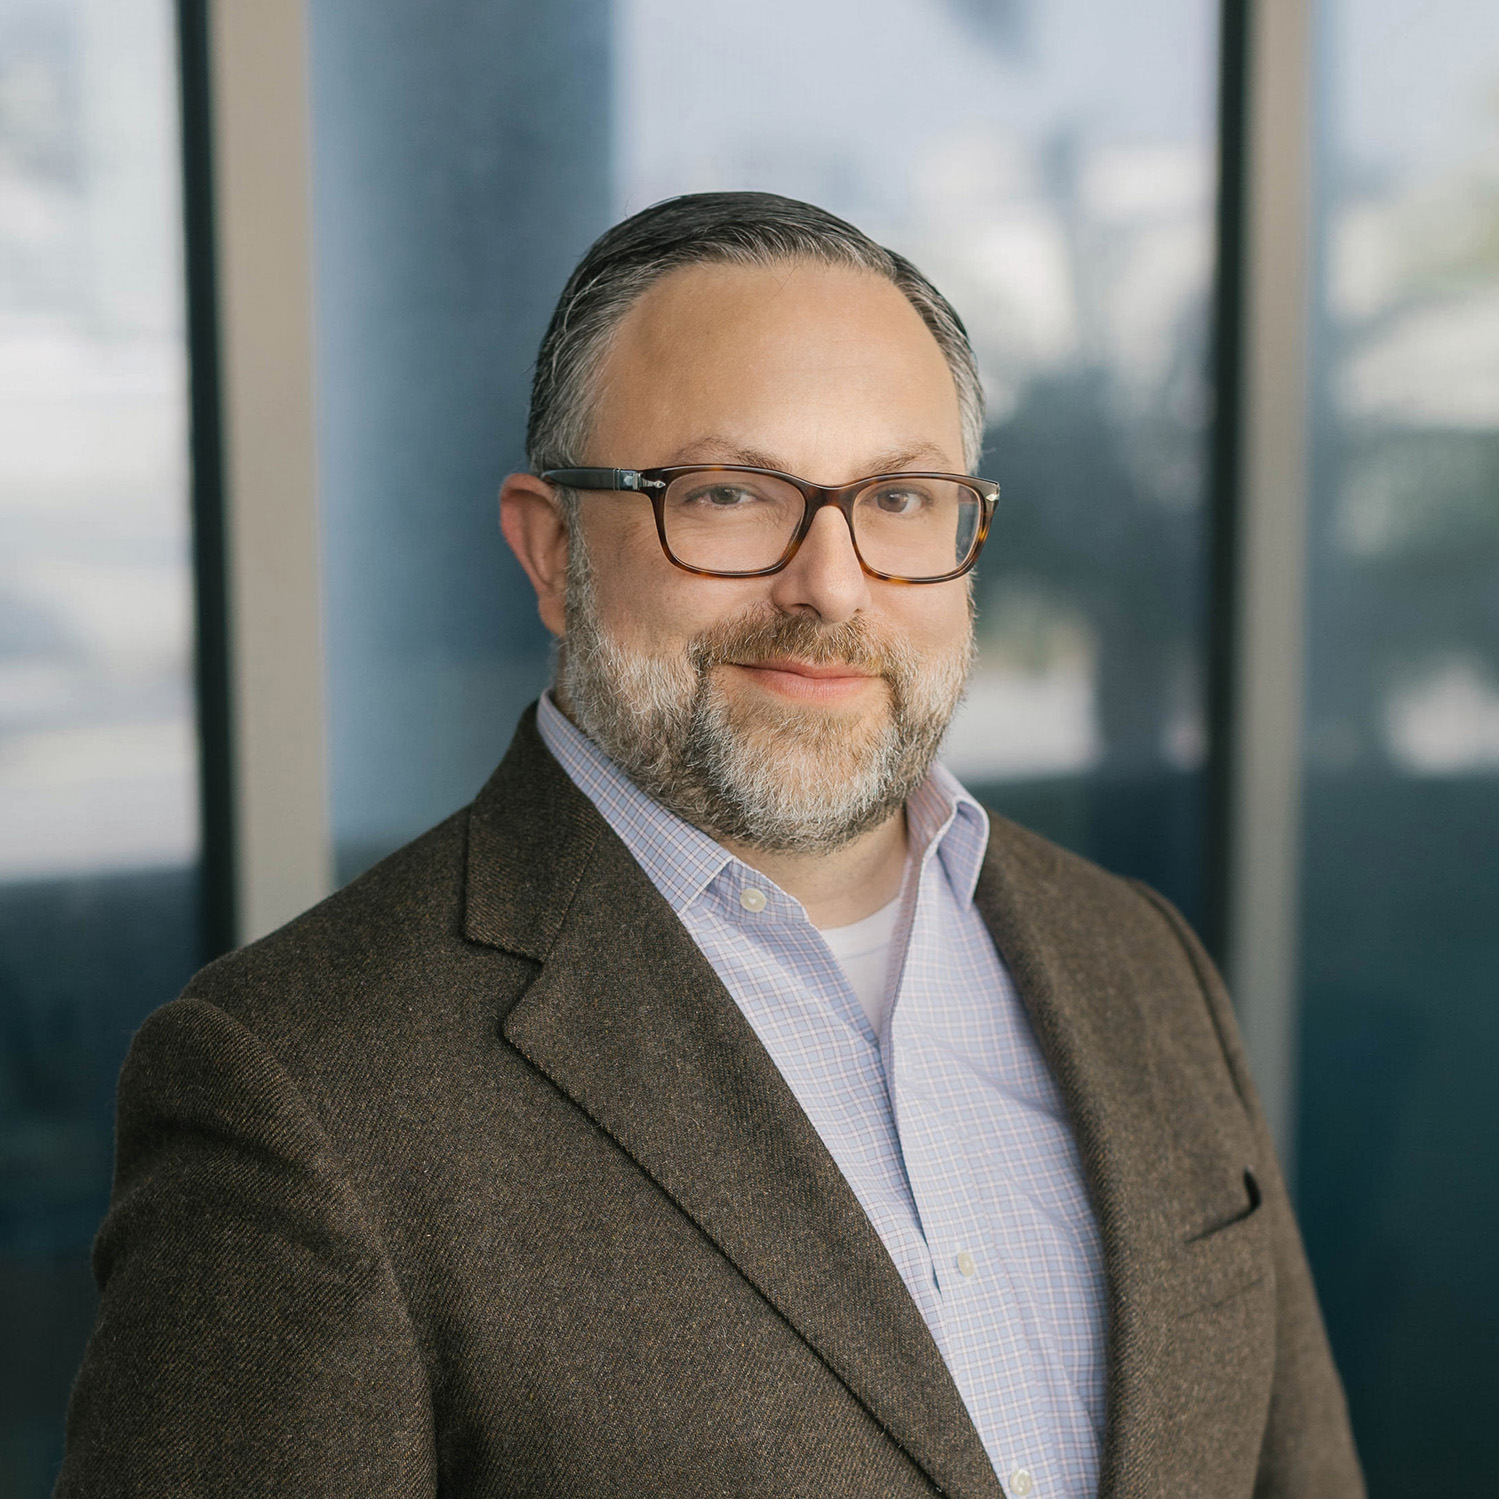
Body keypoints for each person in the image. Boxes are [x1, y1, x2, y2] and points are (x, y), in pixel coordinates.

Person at [56, 192, 1362, 1499]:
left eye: (900, 498)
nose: (832, 585)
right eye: (731, 495)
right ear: (553, 550)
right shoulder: (303, 1088)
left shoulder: (1135, 961)